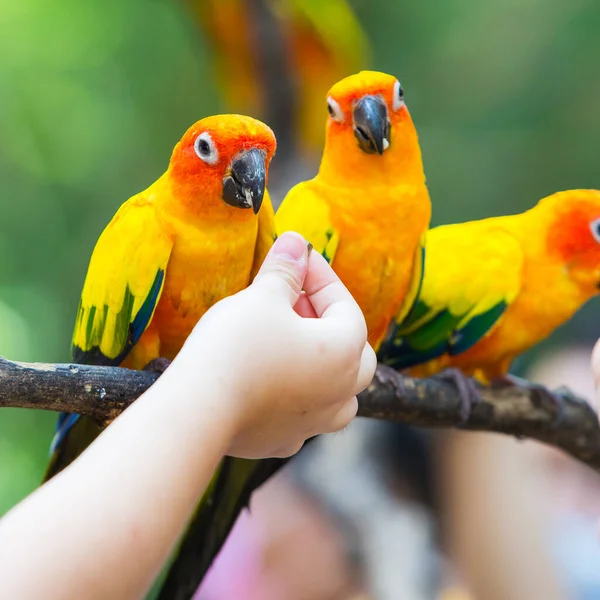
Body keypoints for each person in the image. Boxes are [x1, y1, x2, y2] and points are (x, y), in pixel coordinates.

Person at [0, 232, 377, 600]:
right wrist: (222, 382)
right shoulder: (148, 226)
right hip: (136, 368)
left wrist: (220, 382)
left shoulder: (260, 223)